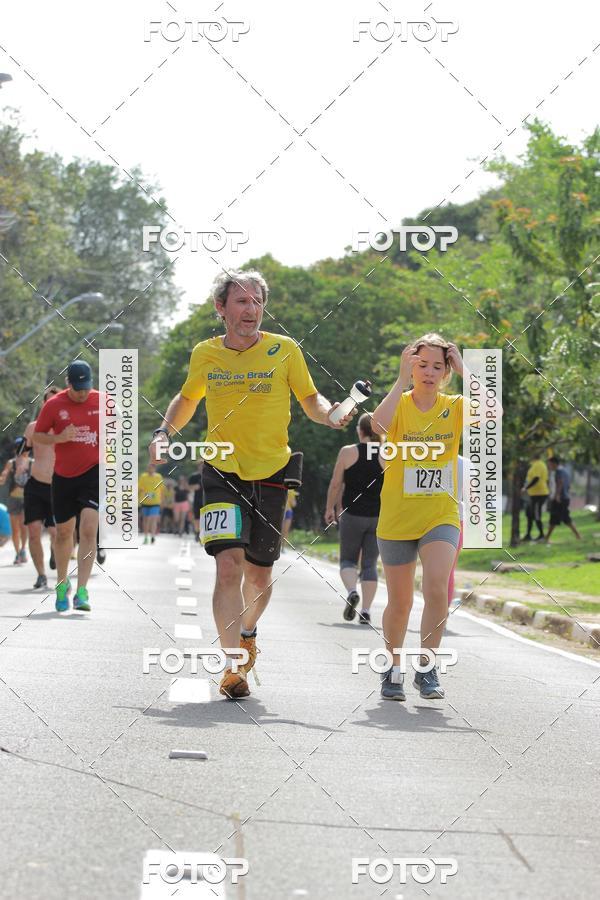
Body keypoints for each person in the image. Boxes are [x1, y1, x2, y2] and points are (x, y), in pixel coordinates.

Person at [149, 269, 354, 699]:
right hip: (221, 470)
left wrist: (330, 413)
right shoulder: (206, 353)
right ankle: (232, 667)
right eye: (241, 301)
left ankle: (247, 633)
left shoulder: (285, 350)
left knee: (260, 577)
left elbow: (310, 400)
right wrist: (164, 433)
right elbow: (188, 399)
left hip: (274, 473)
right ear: (221, 309)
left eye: (257, 301)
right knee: (228, 567)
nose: (251, 310)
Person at [371, 334, 500, 701]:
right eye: (421, 364)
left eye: (437, 367)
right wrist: (399, 381)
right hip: (397, 515)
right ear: (411, 367)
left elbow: (494, 416)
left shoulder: (456, 405)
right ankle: (392, 670)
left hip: (440, 514)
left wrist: (467, 372)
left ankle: (427, 669)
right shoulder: (400, 404)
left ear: (446, 372)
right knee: (400, 603)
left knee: (437, 589)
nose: (429, 372)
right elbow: (377, 427)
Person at [33, 361, 100, 612]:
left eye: (86, 388)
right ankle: (62, 584)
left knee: (89, 528)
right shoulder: (54, 405)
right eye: (78, 388)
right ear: (68, 384)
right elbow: (38, 435)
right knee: (63, 533)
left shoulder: (104, 402)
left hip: (94, 473)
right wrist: (59, 438)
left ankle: (82, 591)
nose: (82, 393)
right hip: (63, 476)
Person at [325, 412, 382, 625]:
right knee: (369, 564)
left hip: (351, 514)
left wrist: (329, 507)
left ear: (360, 431)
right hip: (378, 516)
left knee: (348, 559)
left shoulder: (348, 452)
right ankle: (366, 611)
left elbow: (336, 483)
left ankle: (351, 592)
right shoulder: (388, 453)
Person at [23, 386, 61, 588]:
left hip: (58, 487)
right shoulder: (33, 427)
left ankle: (56, 554)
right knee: (34, 532)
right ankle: (41, 575)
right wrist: (20, 464)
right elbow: (23, 451)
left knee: (56, 533)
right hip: (35, 485)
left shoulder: (67, 429)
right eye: (48, 402)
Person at [0, 436, 32, 564]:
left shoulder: (31, 462)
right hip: (13, 498)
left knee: (24, 525)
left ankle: (23, 549)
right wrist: (2, 477)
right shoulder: (11, 462)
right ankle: (18, 552)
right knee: (15, 528)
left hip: (26, 498)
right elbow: (4, 475)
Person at [546, 457, 581, 543]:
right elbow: (568, 485)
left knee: (554, 518)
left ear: (554, 463)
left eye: (549, 464)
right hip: (565, 498)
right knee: (566, 518)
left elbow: (560, 482)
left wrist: (557, 495)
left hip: (560, 499)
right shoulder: (565, 471)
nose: (549, 466)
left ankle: (546, 538)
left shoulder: (559, 471)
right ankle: (578, 535)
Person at [447, 454, 466, 608]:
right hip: (457, 520)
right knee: (449, 571)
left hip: (427, 519)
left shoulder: (426, 457)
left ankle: (436, 612)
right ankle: (442, 613)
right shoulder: (464, 463)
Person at [521, 453, 549, 542]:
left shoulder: (538, 464)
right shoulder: (534, 465)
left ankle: (541, 535)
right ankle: (528, 534)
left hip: (539, 494)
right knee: (529, 514)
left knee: (536, 514)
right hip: (533, 494)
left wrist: (526, 488)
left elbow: (536, 478)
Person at [138, 462, 164, 544]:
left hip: (155, 502)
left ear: (154, 469)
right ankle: (146, 537)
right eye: (148, 468)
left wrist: (162, 501)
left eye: (151, 468)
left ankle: (152, 536)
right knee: (145, 520)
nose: (150, 469)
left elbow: (162, 489)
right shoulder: (143, 476)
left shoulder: (158, 477)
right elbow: (139, 488)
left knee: (153, 519)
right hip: (145, 501)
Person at [188, 460, 205, 542]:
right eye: (200, 465)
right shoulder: (194, 477)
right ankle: (197, 533)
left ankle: (203, 533)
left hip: (206, 499)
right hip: (197, 499)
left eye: (203, 465)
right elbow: (188, 488)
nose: (201, 467)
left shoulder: (208, 476)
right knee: (197, 518)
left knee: (205, 518)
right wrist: (195, 487)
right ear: (198, 466)